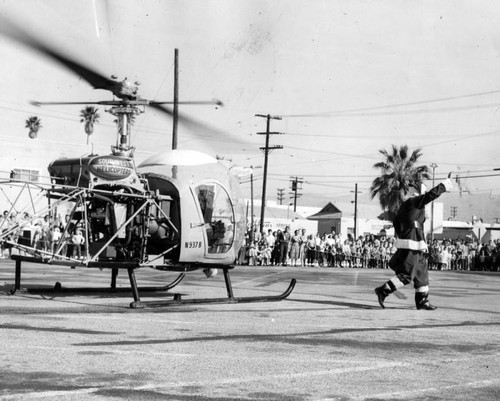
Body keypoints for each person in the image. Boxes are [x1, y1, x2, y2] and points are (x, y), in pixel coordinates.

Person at [374, 173, 453, 310]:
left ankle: (422, 301)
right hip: (412, 244)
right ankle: (383, 290)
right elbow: (430, 195)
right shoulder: (413, 201)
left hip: (415, 244)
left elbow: (397, 224)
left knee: (422, 274)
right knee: (407, 275)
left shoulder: (409, 206)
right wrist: (445, 184)